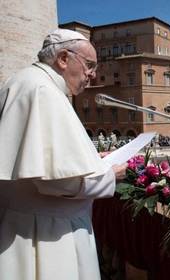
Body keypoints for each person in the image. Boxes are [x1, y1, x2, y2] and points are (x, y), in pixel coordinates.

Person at [0, 29, 127, 280]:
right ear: (63, 58)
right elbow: (56, 180)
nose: (92, 75)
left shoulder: (26, 81)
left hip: (28, 224)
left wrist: (92, 160)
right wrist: (108, 175)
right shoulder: (43, 91)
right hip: (47, 237)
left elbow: (50, 160)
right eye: (89, 65)